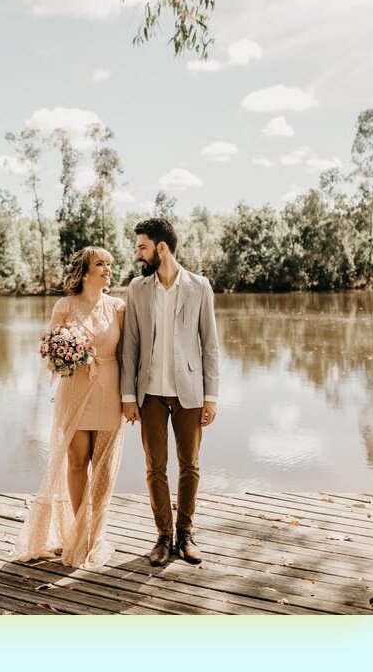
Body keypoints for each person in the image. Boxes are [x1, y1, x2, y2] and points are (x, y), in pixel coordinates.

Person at [15, 246, 125, 569]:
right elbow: (49, 353)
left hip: (110, 388)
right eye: (100, 264)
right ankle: (80, 530)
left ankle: (96, 535)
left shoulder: (118, 307)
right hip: (75, 389)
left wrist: (131, 397)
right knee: (77, 461)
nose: (107, 269)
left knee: (103, 467)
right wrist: (67, 353)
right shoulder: (64, 306)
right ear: (85, 272)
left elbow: (128, 353)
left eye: (109, 264)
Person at [121, 218, 219, 567]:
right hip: (149, 395)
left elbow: (210, 345)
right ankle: (163, 536)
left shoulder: (199, 287)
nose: (138, 253)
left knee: (190, 465)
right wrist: (128, 397)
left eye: (142, 247)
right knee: (155, 467)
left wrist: (211, 397)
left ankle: (185, 534)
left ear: (161, 248)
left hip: (189, 393)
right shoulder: (137, 288)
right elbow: (130, 345)